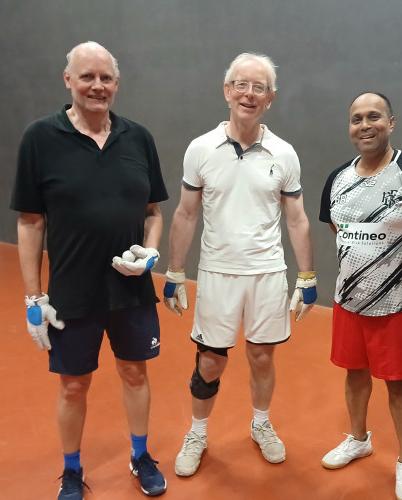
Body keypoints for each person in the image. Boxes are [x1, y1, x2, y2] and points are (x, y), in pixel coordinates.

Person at [11, 41, 169, 500]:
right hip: (72, 290)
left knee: (135, 373)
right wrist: (33, 297)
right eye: (87, 77)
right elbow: (30, 222)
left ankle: (140, 456)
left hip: (131, 289)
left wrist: (150, 254)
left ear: (116, 84)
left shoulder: (138, 138)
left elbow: (153, 212)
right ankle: (72, 469)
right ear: (68, 80)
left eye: (106, 78)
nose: (97, 86)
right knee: (73, 386)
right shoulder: (39, 138)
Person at [162, 52, 317, 477]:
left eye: (259, 87)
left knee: (262, 357)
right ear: (227, 91)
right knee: (210, 361)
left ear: (271, 98)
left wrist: (307, 276)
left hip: (267, 273)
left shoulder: (284, 153)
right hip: (218, 273)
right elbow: (186, 214)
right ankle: (197, 433)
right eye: (241, 85)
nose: (249, 94)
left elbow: (297, 219)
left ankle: (261, 424)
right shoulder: (201, 149)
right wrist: (175, 271)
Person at [318, 92, 402, 500]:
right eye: (356, 118)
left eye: (374, 116)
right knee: (354, 373)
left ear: (391, 123)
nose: (365, 125)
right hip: (348, 300)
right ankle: (358, 439)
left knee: (398, 383)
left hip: (396, 304)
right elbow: (338, 227)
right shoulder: (338, 178)